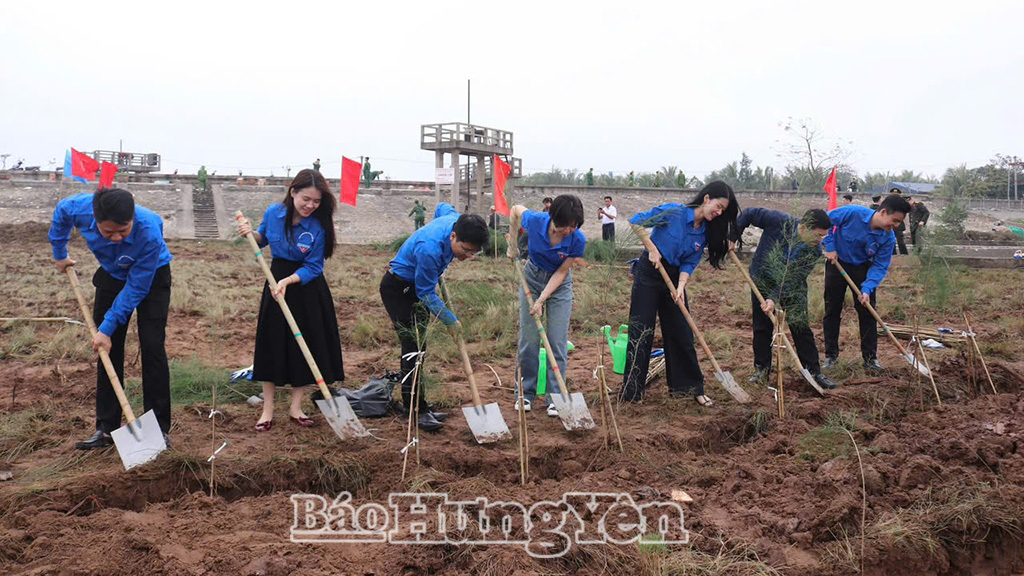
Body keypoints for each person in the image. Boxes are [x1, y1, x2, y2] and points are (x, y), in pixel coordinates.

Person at [50, 188, 174, 449]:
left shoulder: (149, 231)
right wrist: (60, 252)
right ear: (95, 220)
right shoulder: (79, 208)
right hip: (111, 273)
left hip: (151, 277)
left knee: (152, 346)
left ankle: (157, 429)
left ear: (132, 218)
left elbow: (137, 288)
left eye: (123, 230)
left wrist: (106, 326)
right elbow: (61, 214)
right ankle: (106, 429)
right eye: (108, 233)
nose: (117, 237)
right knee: (106, 349)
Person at [236, 169, 344, 431]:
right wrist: (251, 235)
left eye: (316, 201)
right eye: (306, 198)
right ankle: (267, 410)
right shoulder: (274, 213)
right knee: (271, 343)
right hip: (275, 282)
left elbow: (314, 266)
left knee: (304, 345)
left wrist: (288, 281)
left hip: (305, 287)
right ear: (292, 192)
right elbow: (262, 238)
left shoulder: (319, 225)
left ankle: (296, 407)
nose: (310, 205)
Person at [619, 181, 739, 406]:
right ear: (706, 199)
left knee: (682, 332)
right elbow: (636, 221)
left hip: (674, 278)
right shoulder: (674, 212)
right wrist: (652, 249)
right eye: (718, 206)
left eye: (723, 210)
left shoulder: (703, 232)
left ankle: (689, 388)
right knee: (641, 330)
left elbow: (690, 261)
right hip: (650, 272)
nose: (719, 212)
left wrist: (681, 286)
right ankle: (632, 392)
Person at [381, 203, 489, 431]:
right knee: (413, 348)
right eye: (466, 250)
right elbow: (426, 293)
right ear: (453, 236)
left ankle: (421, 405)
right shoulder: (429, 250)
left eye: (473, 253)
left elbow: (442, 207)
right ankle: (414, 411)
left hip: (418, 284)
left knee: (421, 348)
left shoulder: (455, 219)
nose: (468, 256)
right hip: (399, 289)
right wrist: (450, 320)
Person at [730, 208, 837, 390]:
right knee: (762, 326)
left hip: (791, 287)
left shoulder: (813, 251)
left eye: (824, 237)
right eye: (818, 235)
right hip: (762, 279)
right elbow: (748, 213)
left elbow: (792, 279)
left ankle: (814, 372)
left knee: (800, 326)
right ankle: (761, 371)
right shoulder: (779, 220)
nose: (821, 241)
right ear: (803, 228)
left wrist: (773, 298)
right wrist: (733, 236)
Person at [507, 195, 586, 416]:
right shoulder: (536, 221)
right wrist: (512, 244)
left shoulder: (577, 239)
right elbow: (515, 209)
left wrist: (542, 300)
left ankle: (555, 397)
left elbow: (562, 272)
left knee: (557, 340)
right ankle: (525, 393)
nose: (569, 230)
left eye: (574, 226)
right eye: (566, 225)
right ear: (554, 218)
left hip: (559, 286)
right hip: (531, 278)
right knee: (529, 339)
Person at [822, 194, 911, 372]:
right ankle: (831, 356)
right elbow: (824, 221)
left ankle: (870, 359)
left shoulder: (888, 238)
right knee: (832, 310)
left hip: (863, 269)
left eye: (899, 223)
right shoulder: (852, 213)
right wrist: (830, 247)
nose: (896, 226)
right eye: (894, 220)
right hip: (837, 263)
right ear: (883, 212)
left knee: (868, 312)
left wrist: (867, 288)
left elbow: (879, 266)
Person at [889, 188, 909, 255]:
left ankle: (904, 254)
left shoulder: (902, 202)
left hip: (899, 224)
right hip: (891, 223)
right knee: (891, 240)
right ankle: (893, 254)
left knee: (900, 241)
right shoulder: (888, 202)